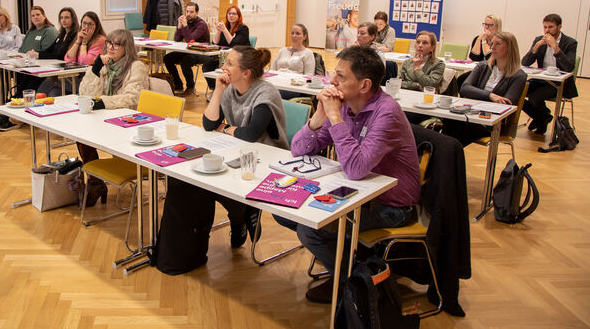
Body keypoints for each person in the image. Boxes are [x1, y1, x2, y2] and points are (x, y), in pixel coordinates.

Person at [277, 45, 420, 303]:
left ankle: (354, 283)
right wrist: (320, 117)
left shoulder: (386, 112)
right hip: (357, 196)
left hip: (390, 205)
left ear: (364, 85)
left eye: (341, 77)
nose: (332, 81)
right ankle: (353, 264)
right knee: (283, 210)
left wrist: (334, 116)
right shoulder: (343, 106)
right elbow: (298, 149)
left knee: (310, 230)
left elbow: (355, 169)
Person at [159, 46, 288, 262]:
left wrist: (227, 129)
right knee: (203, 178)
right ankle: (241, 215)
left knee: (215, 179)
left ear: (246, 72)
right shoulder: (230, 89)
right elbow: (209, 123)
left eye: (229, 63)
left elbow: (252, 133)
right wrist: (218, 91)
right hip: (238, 150)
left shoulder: (265, 92)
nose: (223, 67)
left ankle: (241, 214)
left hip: (268, 157)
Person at [77, 29, 149, 205]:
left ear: (127, 47)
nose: (111, 47)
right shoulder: (105, 64)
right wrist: (94, 70)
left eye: (117, 44)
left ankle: (96, 182)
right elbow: (85, 94)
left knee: (86, 135)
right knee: (80, 136)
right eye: (109, 42)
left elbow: (132, 99)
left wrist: (101, 101)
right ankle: (95, 182)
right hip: (108, 118)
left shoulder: (136, 66)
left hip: (131, 123)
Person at [442, 32, 527, 145]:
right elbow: (465, 88)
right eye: (492, 44)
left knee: (456, 126)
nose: (493, 47)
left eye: (498, 44)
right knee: (450, 119)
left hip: (493, 123)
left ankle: (449, 156)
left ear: (510, 48)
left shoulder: (519, 76)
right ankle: (450, 156)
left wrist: (476, 95)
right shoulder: (483, 66)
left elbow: (506, 103)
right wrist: (490, 96)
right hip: (473, 115)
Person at [0, 6, 59, 131]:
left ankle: (11, 116)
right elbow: (22, 50)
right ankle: (8, 114)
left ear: (44, 15)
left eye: (38, 14)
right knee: (20, 88)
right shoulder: (31, 32)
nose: (35, 17)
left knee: (25, 88)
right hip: (28, 67)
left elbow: (45, 52)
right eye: (33, 15)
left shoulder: (50, 31)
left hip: (42, 69)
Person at [521, 13, 578, 134]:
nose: (547, 30)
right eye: (545, 27)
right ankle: (542, 117)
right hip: (541, 79)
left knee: (534, 97)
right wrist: (535, 47)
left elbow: (569, 67)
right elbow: (525, 62)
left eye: (550, 27)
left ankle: (541, 118)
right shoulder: (539, 40)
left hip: (559, 83)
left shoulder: (570, 43)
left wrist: (555, 47)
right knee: (518, 91)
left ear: (559, 26)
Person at [163, 1, 210, 96]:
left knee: (185, 61)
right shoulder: (187, 23)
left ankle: (190, 87)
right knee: (167, 58)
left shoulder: (201, 25)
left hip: (202, 53)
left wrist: (185, 25)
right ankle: (178, 83)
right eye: (187, 11)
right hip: (189, 51)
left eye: (191, 12)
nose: (188, 14)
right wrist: (179, 25)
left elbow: (190, 40)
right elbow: (177, 39)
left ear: (197, 13)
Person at [33, 7, 81, 97]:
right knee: (53, 93)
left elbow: (61, 55)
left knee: (51, 79)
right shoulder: (62, 34)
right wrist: (36, 53)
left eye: (67, 18)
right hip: (60, 70)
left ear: (73, 19)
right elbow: (50, 49)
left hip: (69, 74)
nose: (63, 20)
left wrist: (40, 55)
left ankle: (35, 101)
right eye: (61, 18)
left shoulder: (75, 35)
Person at [203, 5, 250, 90]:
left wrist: (224, 30)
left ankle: (226, 91)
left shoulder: (243, 29)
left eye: (234, 14)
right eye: (229, 13)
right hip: (223, 57)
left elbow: (234, 44)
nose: (231, 16)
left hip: (238, 58)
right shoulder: (226, 27)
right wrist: (218, 31)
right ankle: (214, 89)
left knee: (223, 68)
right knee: (207, 65)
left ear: (238, 16)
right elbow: (215, 43)